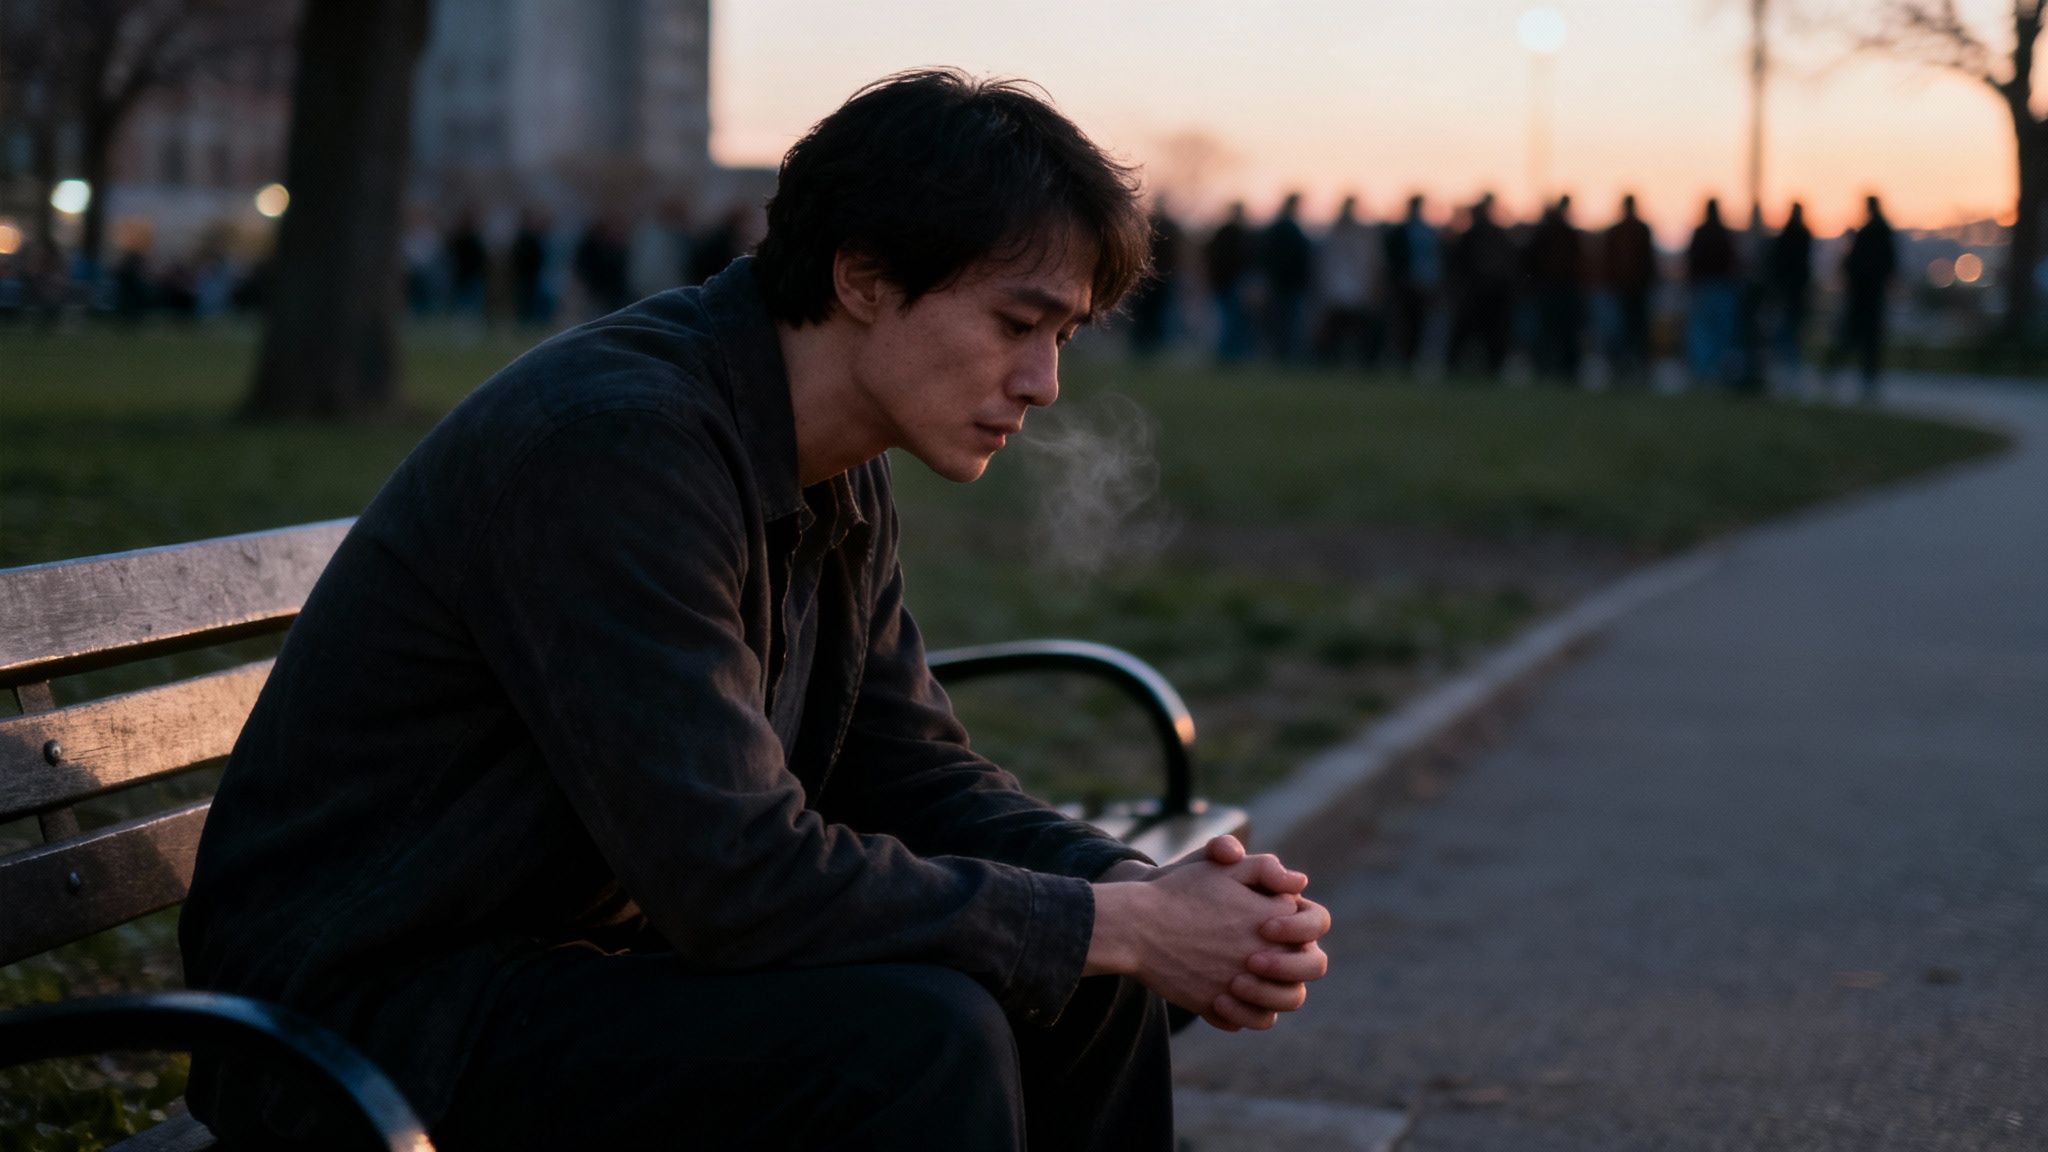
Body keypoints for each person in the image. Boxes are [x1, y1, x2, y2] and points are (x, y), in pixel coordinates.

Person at [178, 69, 1332, 1152]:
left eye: (1063, 337)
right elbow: (734, 878)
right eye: (1014, 325)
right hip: (368, 1018)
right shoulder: (616, 448)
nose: (1043, 383)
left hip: (565, 962)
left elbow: (906, 768)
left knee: (1086, 996)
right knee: (918, 1039)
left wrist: (1134, 895)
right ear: (864, 276)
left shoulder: (827, 454)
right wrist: (1111, 925)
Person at [1445, 193, 1518, 381]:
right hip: (1476, 294)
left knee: (1492, 336)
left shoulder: (1494, 235)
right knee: (1467, 333)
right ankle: (1456, 368)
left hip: (1491, 295)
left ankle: (1491, 369)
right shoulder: (1474, 236)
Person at [1833, 194, 1897, 403]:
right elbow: (1890, 264)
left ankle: (1834, 373)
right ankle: (1867, 381)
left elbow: (1852, 264)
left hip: (1862, 295)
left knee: (1852, 335)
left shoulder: (1867, 233)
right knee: (1869, 340)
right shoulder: (1883, 232)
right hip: (1872, 295)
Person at [1313, 194, 1383, 369]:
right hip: (1338, 293)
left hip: (1355, 292)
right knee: (1336, 334)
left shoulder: (1363, 236)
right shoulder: (1334, 235)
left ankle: (1362, 365)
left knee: (1359, 333)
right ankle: (1331, 364)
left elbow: (1372, 264)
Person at [1598, 193, 1657, 389]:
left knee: (1629, 333)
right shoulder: (1633, 231)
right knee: (1626, 333)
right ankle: (1626, 372)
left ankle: (1631, 372)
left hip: (1631, 290)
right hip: (1625, 291)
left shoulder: (1630, 231)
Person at [1526, 195, 1585, 386]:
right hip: (1552, 289)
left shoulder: (1559, 233)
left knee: (1559, 331)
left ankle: (1560, 368)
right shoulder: (1553, 233)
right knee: (1551, 331)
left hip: (1560, 289)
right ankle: (1548, 367)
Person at [1685, 198, 1741, 388]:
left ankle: (1705, 372)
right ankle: (1713, 372)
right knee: (1718, 332)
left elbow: (1692, 260)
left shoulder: (1702, 233)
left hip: (1707, 288)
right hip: (1720, 288)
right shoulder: (1724, 233)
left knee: (1705, 332)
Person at [1384, 194, 1442, 375]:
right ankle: (1403, 360)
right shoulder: (1403, 232)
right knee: (1404, 325)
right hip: (1406, 286)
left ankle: (1413, 359)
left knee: (1418, 325)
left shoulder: (1426, 231)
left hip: (1423, 286)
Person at [1259, 192, 1314, 362]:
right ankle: (1284, 356)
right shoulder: (1287, 229)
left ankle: (1282, 355)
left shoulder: (1278, 228)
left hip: (1283, 283)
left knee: (1283, 322)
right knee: (1287, 323)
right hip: (1287, 283)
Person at [1127, 194, 1184, 359]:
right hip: (1146, 276)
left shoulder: (1161, 225)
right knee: (1146, 312)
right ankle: (1143, 346)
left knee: (1157, 312)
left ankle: (1153, 345)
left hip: (1159, 277)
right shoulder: (1148, 224)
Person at [1766, 201, 1814, 392]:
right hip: (1795, 293)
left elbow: (1777, 264)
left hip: (1788, 293)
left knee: (1786, 333)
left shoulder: (1788, 235)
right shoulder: (1803, 234)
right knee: (1790, 333)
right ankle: (1791, 371)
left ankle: (1786, 371)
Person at [1204, 202, 1255, 364]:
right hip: (1230, 283)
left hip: (1224, 283)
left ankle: (1230, 354)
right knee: (1231, 320)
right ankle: (1229, 354)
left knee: (1230, 320)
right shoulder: (1237, 234)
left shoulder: (1225, 233)